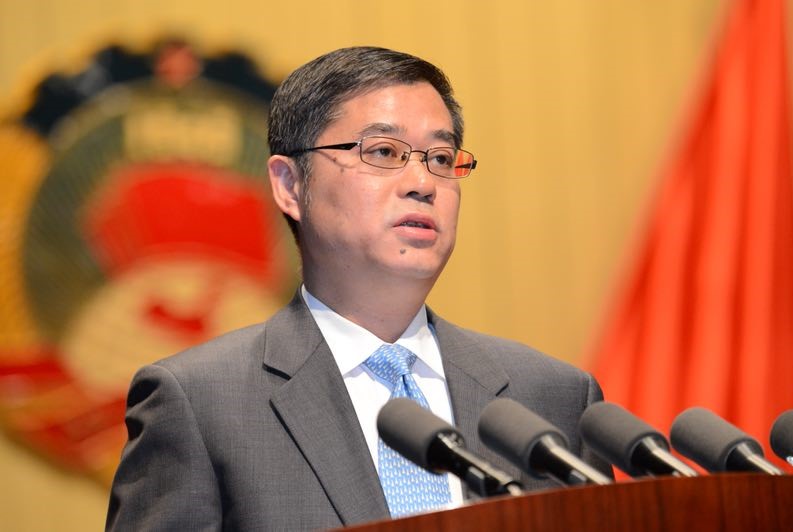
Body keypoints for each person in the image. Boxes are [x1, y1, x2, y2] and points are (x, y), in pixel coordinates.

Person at [106, 46, 610, 531]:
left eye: (440, 158)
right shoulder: (200, 403)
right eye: (384, 151)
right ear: (290, 185)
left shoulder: (552, 398)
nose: (423, 183)